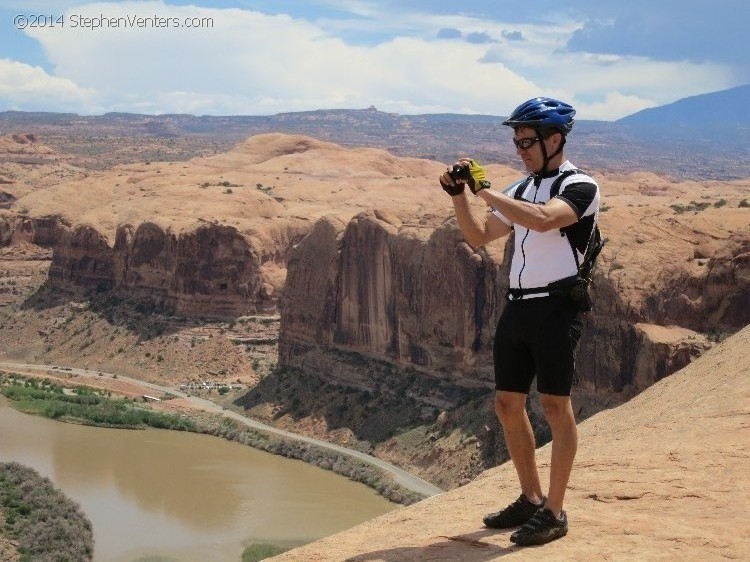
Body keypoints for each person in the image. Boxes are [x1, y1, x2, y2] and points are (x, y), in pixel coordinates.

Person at [439, 97, 600, 546]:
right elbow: (478, 237)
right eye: (516, 141)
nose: (521, 149)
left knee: (554, 408)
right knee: (507, 405)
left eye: (528, 141)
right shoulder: (520, 189)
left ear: (555, 140)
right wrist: (459, 196)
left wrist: (485, 190)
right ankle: (530, 498)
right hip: (519, 308)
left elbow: (546, 221)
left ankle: (554, 510)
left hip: (556, 309)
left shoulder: (581, 186)